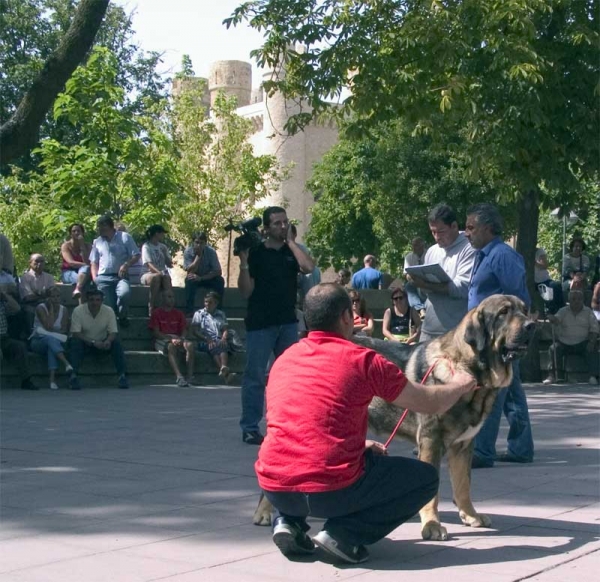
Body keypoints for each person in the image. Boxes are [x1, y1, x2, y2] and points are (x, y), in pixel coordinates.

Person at [256, 283, 478, 564]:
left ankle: (288, 522)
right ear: (348, 318)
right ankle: (343, 535)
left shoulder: (284, 360)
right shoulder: (363, 360)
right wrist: (459, 385)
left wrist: (358, 445)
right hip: (332, 491)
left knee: (297, 463)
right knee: (424, 479)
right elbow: (430, 403)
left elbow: (302, 424)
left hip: (276, 488)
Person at [238, 206, 315, 445]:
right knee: (255, 376)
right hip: (260, 324)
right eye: (277, 224)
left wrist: (291, 243)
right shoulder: (257, 253)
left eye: (285, 222)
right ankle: (250, 426)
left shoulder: (293, 251)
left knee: (290, 377)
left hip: (287, 323)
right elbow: (246, 291)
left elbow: (309, 268)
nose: (282, 227)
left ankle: (287, 425)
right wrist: (243, 263)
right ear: (266, 228)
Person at [465, 203, 534, 468]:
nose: (467, 233)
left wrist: (513, 336)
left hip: (500, 338)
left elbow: (517, 297)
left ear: (488, 227)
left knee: (492, 390)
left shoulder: (502, 255)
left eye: (471, 227)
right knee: (512, 393)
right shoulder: (483, 256)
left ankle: (482, 450)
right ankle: (521, 448)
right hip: (487, 335)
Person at [407, 204, 476, 343]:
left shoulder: (470, 248)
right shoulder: (432, 251)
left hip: (455, 331)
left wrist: (425, 284)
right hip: (429, 328)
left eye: (441, 231)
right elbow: (425, 293)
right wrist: (415, 280)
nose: (437, 237)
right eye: (433, 232)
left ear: (454, 226)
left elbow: (461, 288)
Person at [69, 287, 129, 390]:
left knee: (116, 342)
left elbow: (113, 331)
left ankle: (122, 376)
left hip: (102, 343)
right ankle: (72, 377)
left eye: (97, 300)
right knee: (75, 343)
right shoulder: (78, 311)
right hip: (85, 343)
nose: (95, 303)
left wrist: (108, 341)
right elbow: (76, 333)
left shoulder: (109, 311)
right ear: (87, 300)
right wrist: (92, 342)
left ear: (102, 300)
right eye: (92, 299)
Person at [89, 215, 140, 327]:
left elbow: (136, 255)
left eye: (101, 227)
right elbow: (94, 262)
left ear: (108, 226)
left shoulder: (125, 237)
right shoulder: (97, 242)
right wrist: (95, 278)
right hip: (103, 277)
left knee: (124, 294)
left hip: (121, 276)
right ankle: (113, 326)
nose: (99, 229)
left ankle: (122, 315)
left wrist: (126, 264)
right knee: (108, 306)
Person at [544, 290, 599, 385]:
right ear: (569, 300)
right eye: (573, 299)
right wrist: (552, 318)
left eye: (579, 299)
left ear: (583, 300)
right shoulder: (563, 311)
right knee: (553, 348)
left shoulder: (588, 312)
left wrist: (592, 341)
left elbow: (595, 328)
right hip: (564, 342)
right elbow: (557, 320)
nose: (576, 301)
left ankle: (593, 376)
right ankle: (554, 375)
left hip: (583, 342)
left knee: (593, 348)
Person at [191, 291, 242, 384]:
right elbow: (195, 331)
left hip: (217, 340)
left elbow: (225, 329)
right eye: (206, 302)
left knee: (220, 345)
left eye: (210, 302)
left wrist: (223, 338)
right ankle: (225, 371)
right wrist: (207, 339)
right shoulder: (199, 314)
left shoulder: (221, 314)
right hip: (204, 341)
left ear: (216, 303)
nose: (207, 304)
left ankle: (223, 369)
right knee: (214, 346)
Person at [148, 288, 195, 387]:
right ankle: (179, 377)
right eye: (169, 297)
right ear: (163, 298)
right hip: (162, 338)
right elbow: (156, 333)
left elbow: (184, 330)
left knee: (190, 345)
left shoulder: (179, 313)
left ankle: (190, 377)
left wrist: (182, 338)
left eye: (173, 297)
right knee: (171, 347)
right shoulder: (156, 313)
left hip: (178, 338)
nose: (172, 299)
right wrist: (171, 339)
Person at [29, 286, 72, 390]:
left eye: (58, 296)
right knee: (50, 340)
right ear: (47, 298)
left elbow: (64, 329)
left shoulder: (64, 310)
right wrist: (51, 309)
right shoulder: (41, 308)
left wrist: (50, 333)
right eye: (53, 297)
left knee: (51, 344)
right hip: (37, 341)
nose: (56, 299)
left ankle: (52, 380)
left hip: (54, 342)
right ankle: (66, 363)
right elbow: (49, 326)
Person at [0, 287, 39, 390]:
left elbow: (17, 309)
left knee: (20, 347)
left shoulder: (2, 304)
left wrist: (4, 295)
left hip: (4, 339)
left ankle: (26, 381)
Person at [183, 232, 225, 315]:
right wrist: (198, 257)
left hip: (207, 277)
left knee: (220, 281)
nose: (199, 245)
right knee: (189, 280)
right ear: (193, 242)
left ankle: (218, 310)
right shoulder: (188, 251)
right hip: (194, 277)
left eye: (201, 243)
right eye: (197, 242)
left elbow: (218, 271)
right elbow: (189, 271)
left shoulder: (211, 252)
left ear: (205, 243)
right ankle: (189, 311)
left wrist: (202, 278)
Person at [140, 224, 173, 316]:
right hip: (148, 274)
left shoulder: (163, 247)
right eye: (162, 233)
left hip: (162, 273)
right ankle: (151, 305)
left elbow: (170, 265)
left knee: (166, 279)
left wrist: (165, 255)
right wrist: (160, 273)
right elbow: (148, 264)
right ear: (156, 234)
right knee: (157, 277)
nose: (163, 236)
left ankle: (168, 306)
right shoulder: (146, 246)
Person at [19, 254, 56, 331]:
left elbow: (53, 293)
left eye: (42, 261)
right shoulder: (25, 278)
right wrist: (43, 294)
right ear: (30, 262)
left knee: (59, 308)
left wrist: (37, 294)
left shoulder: (49, 277)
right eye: (37, 261)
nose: (39, 263)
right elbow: (28, 298)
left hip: (47, 304)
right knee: (28, 311)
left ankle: (55, 331)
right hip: (31, 305)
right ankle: (31, 334)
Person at [60, 223, 92, 299]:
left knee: (86, 269)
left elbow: (87, 261)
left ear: (83, 233)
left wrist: (82, 246)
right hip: (68, 272)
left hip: (84, 271)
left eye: (78, 231)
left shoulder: (88, 246)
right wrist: (86, 265)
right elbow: (71, 263)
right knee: (84, 281)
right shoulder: (66, 246)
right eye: (73, 231)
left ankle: (77, 289)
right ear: (70, 234)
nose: (76, 233)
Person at [534, 247, 564, 315]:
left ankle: (561, 309)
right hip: (534, 282)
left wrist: (534, 262)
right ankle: (552, 310)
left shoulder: (540, 251)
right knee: (550, 288)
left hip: (544, 280)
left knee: (556, 285)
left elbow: (545, 265)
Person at [403, 237, 428, 315]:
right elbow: (406, 274)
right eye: (413, 245)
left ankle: (428, 307)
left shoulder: (430, 254)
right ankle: (420, 309)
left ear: (422, 246)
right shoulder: (408, 257)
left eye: (416, 245)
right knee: (408, 286)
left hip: (428, 281)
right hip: (414, 281)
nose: (414, 247)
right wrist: (414, 281)